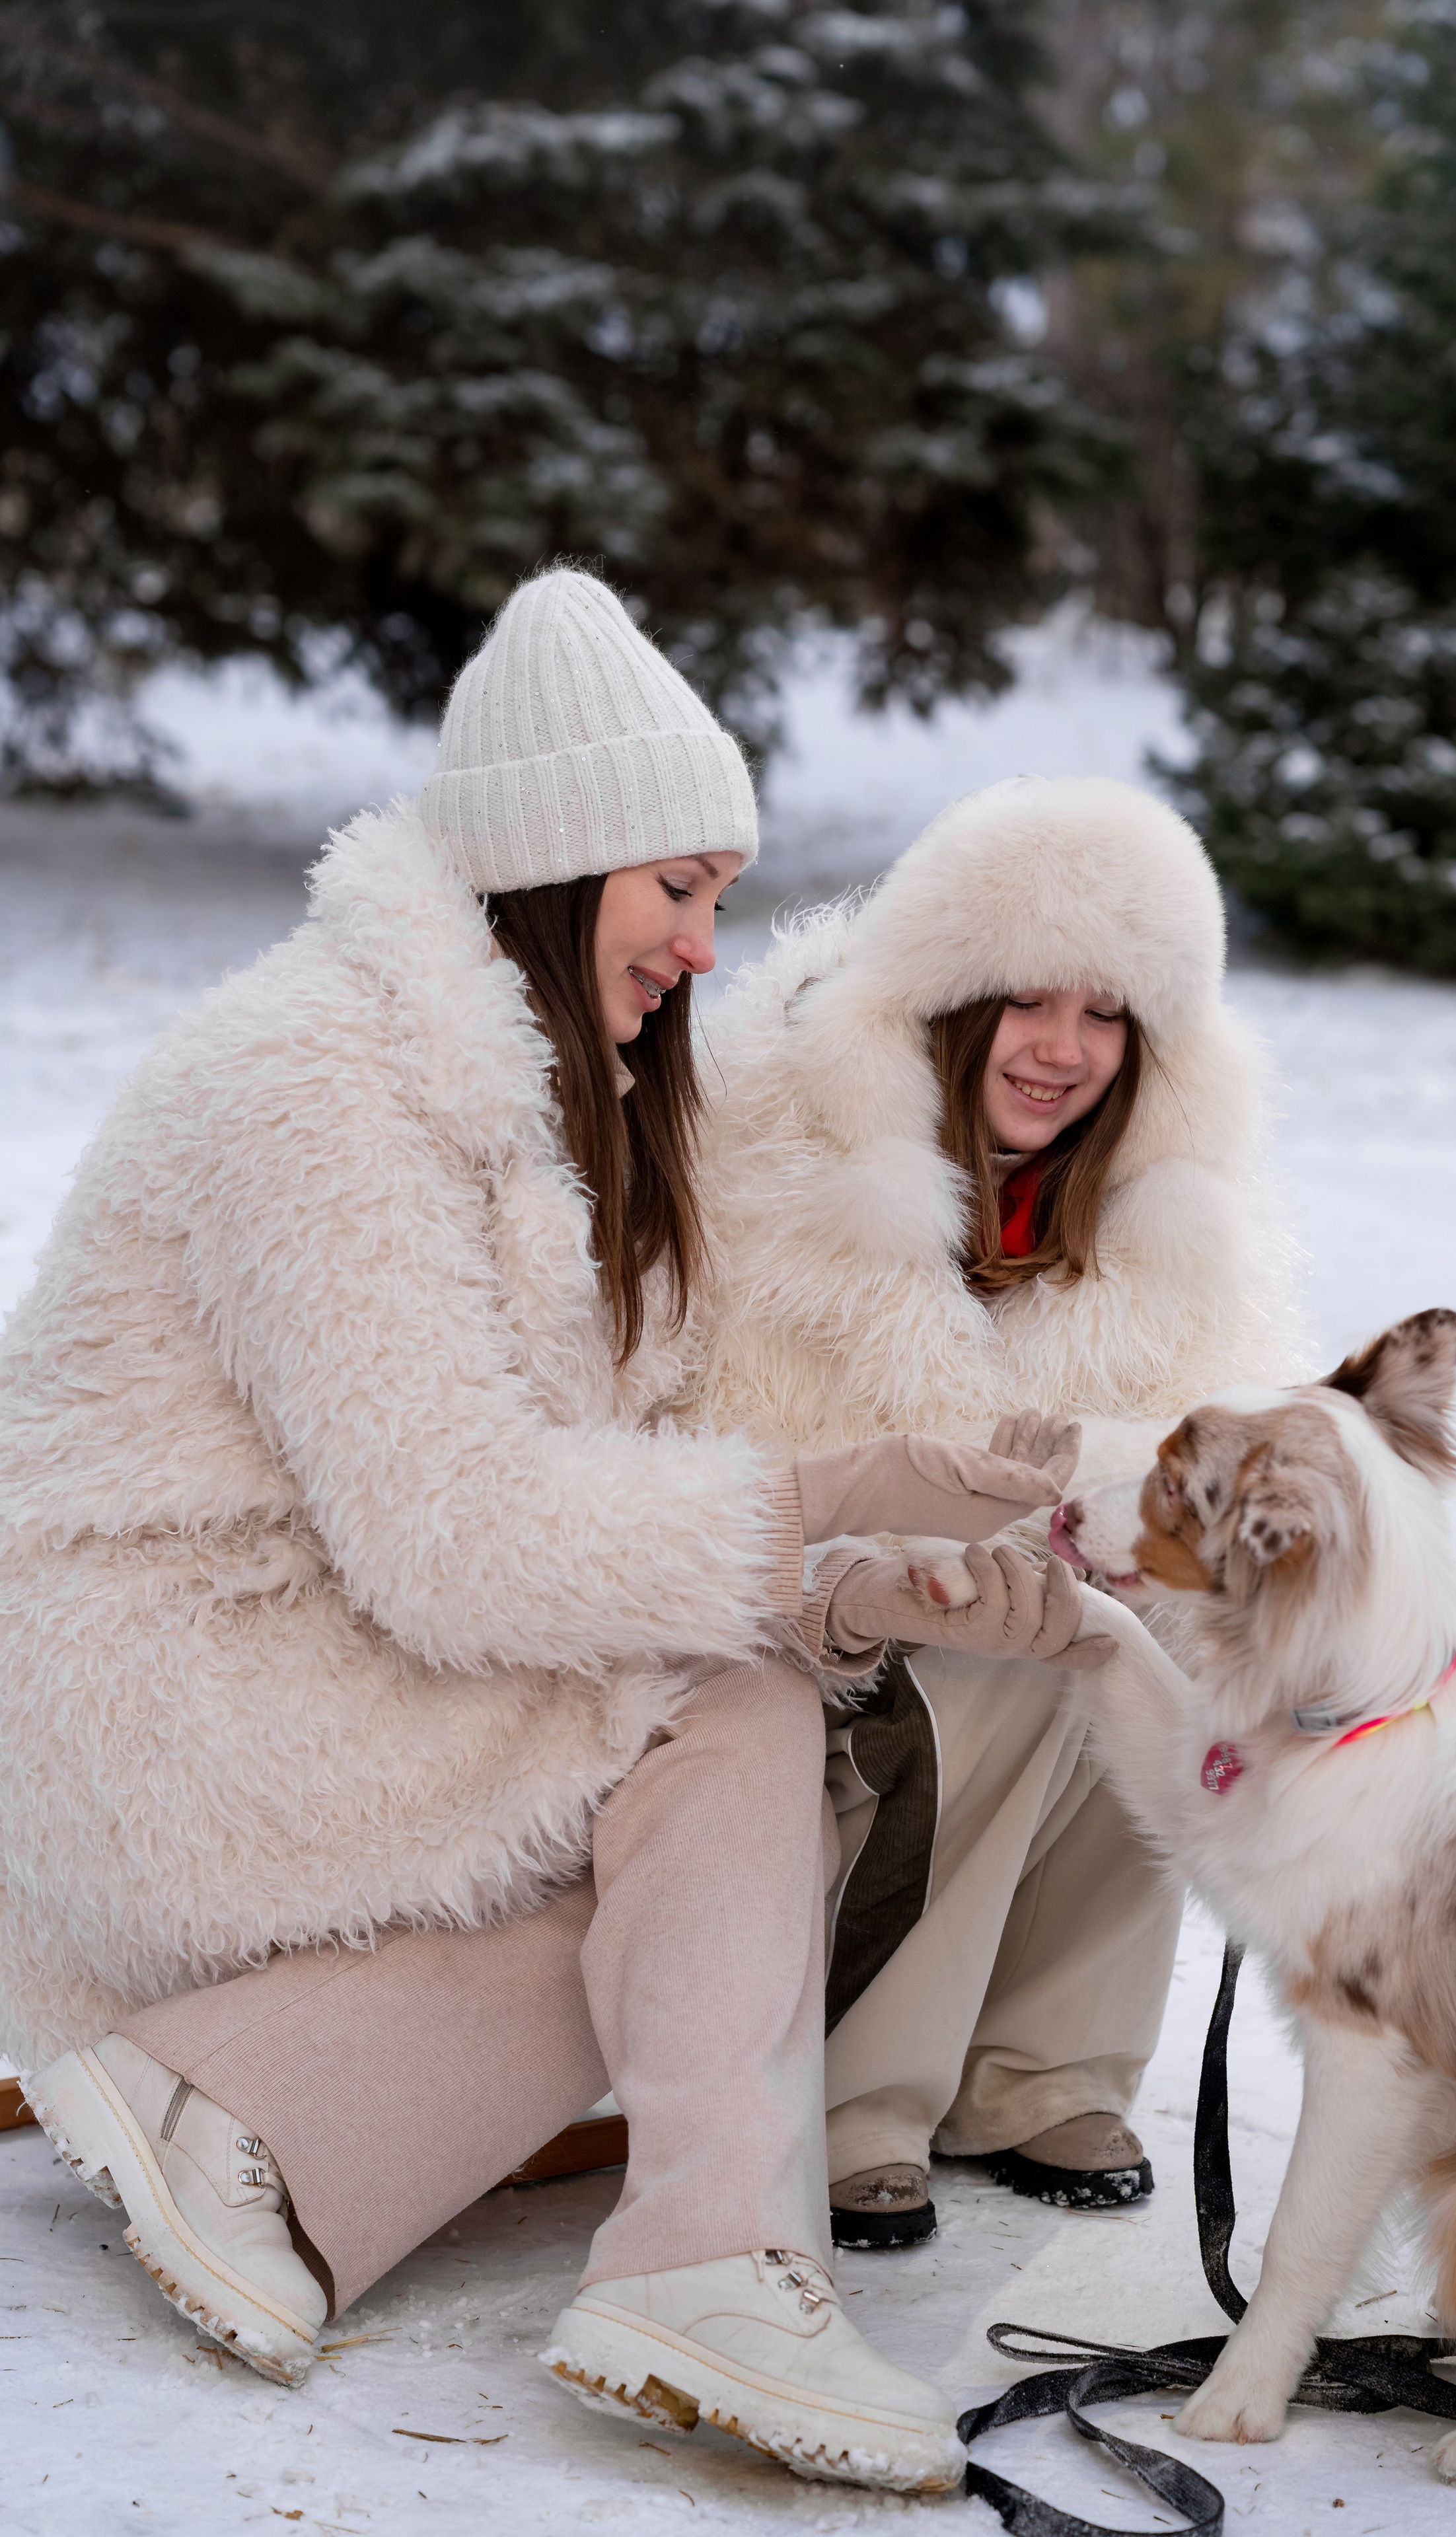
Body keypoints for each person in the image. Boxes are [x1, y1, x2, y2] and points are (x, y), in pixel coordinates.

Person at [0, 571, 1098, 2491]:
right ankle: (708, 2259)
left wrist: (858, 1585)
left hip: (338, 1665)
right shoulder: (311, 1082)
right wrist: (822, 1504)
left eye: (719, 894)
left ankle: (246, 2121)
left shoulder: (561, 1109)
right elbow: (456, 1541)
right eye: (675, 885)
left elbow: (591, 1511)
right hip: (165, 1694)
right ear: (552, 858)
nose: (703, 942)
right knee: (724, 1724)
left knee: (720, 1827)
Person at [685, 773, 1306, 2246]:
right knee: (1011, 1630)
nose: (1061, 1050)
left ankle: (1044, 2069)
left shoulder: (1160, 1223)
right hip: (799, 1636)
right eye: (1026, 1000)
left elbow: (1229, 1451)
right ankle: (862, 2094)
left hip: (1011, 1610)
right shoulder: (772, 1155)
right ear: (949, 999)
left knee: (1158, 1628)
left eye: (1106, 1015)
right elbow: (710, 1439)